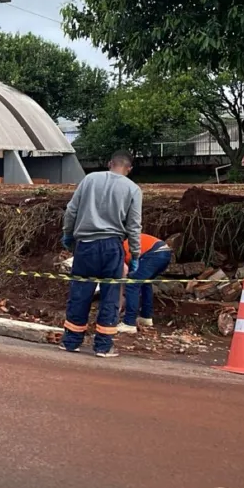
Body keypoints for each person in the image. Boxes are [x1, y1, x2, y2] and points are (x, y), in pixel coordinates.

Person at [60, 151, 142, 357]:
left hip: (85, 245)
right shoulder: (133, 189)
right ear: (129, 169)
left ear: (109, 163)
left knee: (80, 291)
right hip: (112, 247)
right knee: (111, 295)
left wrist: (68, 234)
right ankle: (103, 346)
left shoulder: (89, 179)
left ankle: (71, 342)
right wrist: (135, 255)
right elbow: (134, 226)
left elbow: (71, 210)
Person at [118, 233, 173, 333]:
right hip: (164, 252)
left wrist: (121, 302)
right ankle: (146, 317)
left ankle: (129, 323)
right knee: (145, 282)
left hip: (155, 253)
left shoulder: (120, 250)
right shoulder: (128, 243)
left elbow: (125, 278)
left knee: (132, 284)